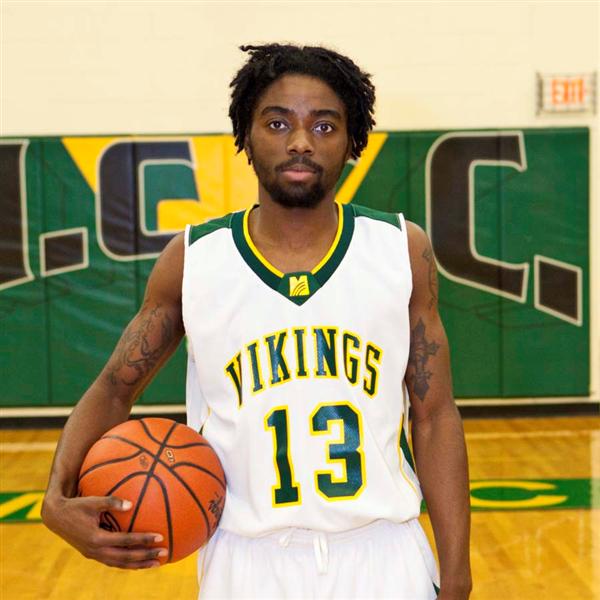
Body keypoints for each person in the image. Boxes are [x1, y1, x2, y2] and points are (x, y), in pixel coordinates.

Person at [42, 44, 471, 599]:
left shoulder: (400, 249)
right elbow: (113, 389)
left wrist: (456, 573)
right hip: (245, 563)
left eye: (324, 125)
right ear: (245, 135)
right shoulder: (194, 259)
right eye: (277, 122)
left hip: (384, 554)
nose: (300, 142)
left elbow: (434, 416)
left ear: (352, 141)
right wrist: (55, 499)